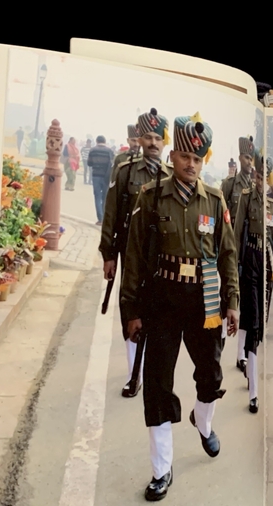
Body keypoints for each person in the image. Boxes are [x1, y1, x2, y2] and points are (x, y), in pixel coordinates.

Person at [120, 112, 240, 502]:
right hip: (164, 300)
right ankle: (161, 469)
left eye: (198, 158)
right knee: (157, 385)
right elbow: (134, 256)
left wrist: (232, 303)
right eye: (185, 156)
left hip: (204, 300)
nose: (191, 164)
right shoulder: (151, 197)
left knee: (211, 377)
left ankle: (203, 424)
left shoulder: (215, 199)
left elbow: (228, 257)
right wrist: (131, 311)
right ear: (173, 156)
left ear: (204, 161)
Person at [100, 108, 173, 397]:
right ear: (139, 139)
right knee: (130, 308)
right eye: (148, 137)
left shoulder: (171, 175)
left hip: (162, 256)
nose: (153, 143)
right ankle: (134, 373)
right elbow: (111, 214)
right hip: (131, 254)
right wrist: (108, 254)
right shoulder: (125, 170)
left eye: (158, 137)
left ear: (164, 142)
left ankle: (152, 369)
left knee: (158, 311)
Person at [234, 150, 273, 412]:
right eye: (256, 175)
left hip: (267, 263)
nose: (259, 181)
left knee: (261, 320)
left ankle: (249, 364)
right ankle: (254, 392)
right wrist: (233, 269)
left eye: (262, 176)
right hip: (249, 261)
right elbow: (235, 236)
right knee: (253, 321)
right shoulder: (246, 200)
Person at [221, 135, 254, 226]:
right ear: (240, 158)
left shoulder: (253, 187)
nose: (249, 162)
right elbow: (220, 211)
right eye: (247, 158)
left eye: (251, 159)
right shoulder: (229, 184)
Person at [87, 135, 114, 225]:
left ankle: (100, 219)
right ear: (105, 141)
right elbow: (112, 163)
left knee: (97, 197)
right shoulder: (109, 151)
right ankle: (104, 217)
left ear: (97, 141)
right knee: (105, 197)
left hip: (96, 176)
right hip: (106, 176)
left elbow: (89, 163)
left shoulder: (93, 150)